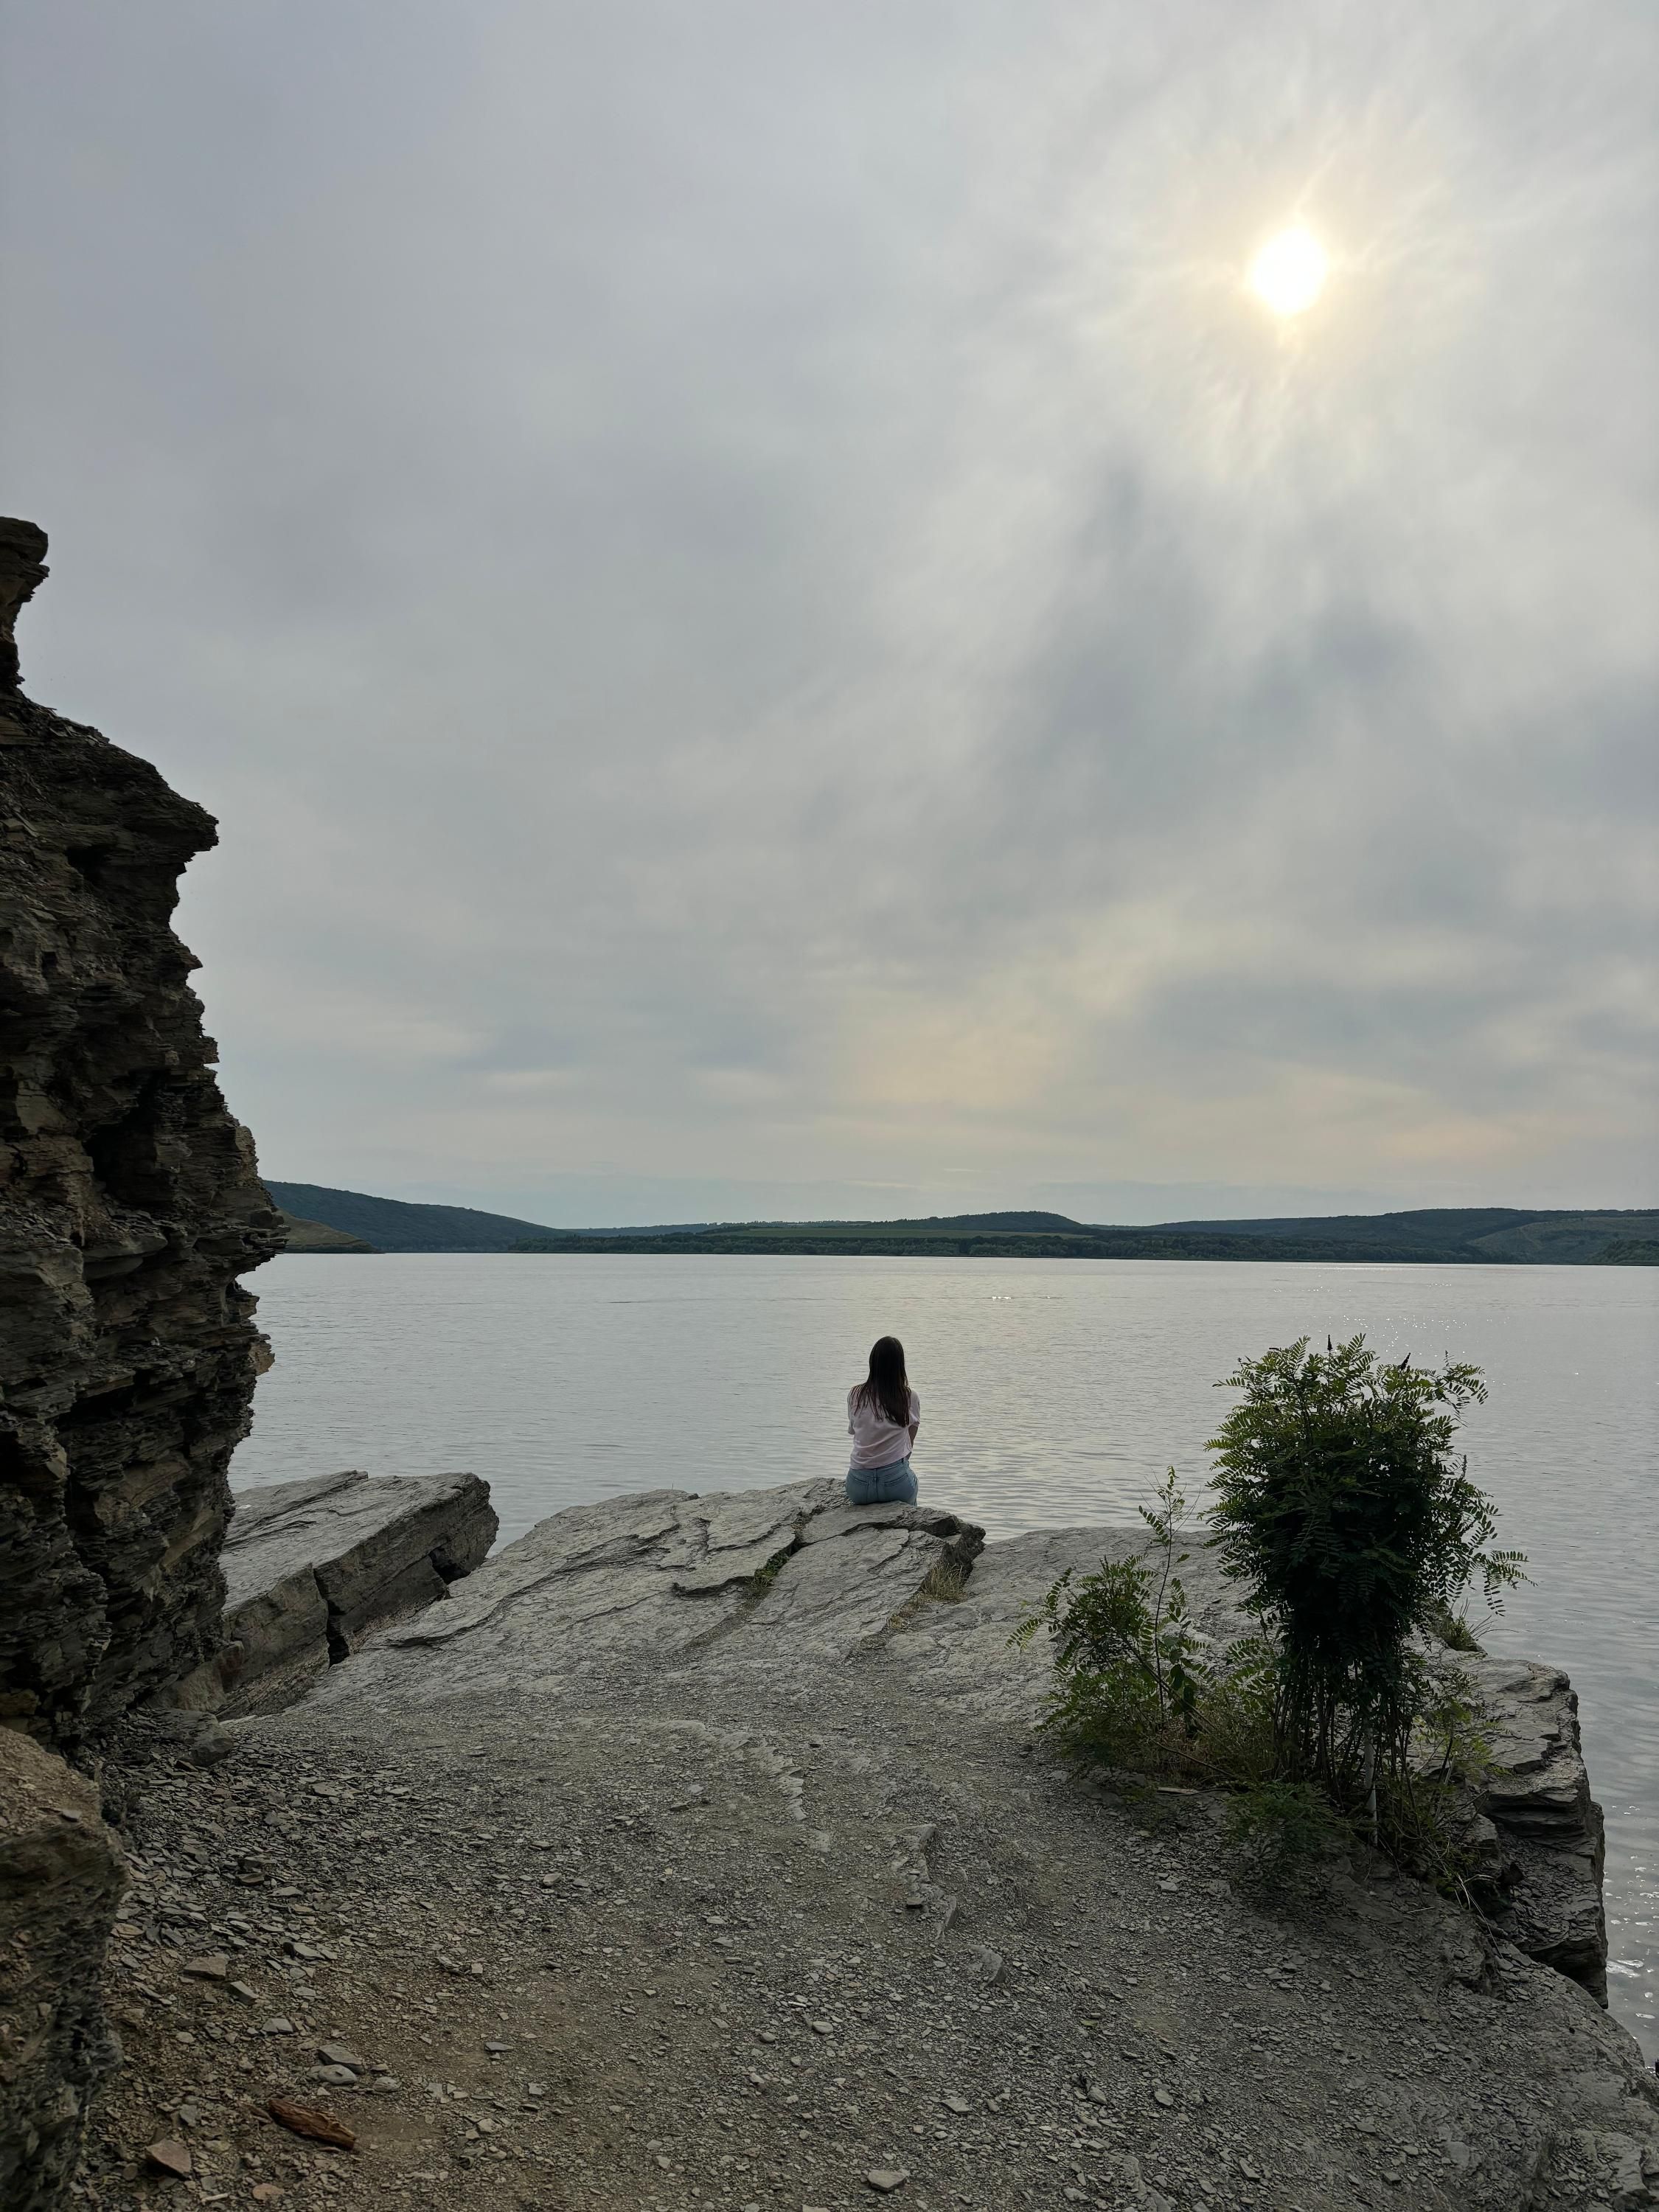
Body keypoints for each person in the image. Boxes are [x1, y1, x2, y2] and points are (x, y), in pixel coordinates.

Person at [845, 1335, 920, 1505]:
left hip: (858, 1485)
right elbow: (910, 1440)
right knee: (912, 1486)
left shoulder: (855, 1394)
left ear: (873, 1362)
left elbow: (855, 1431)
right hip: (896, 1482)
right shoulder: (909, 1397)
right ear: (900, 1365)